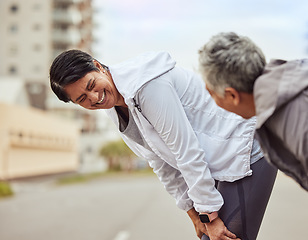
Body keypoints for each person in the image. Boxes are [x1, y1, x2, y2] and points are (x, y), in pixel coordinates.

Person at [49, 49, 277, 240]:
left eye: (91, 85)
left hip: (245, 149)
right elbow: (158, 160)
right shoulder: (115, 108)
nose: (94, 97)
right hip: (219, 160)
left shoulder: (146, 86)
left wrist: (210, 216)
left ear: (98, 66)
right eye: (82, 99)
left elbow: (185, 149)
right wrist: (193, 213)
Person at [199, 32, 308, 191]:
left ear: (232, 95)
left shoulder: (295, 120)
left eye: (211, 92)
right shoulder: (287, 88)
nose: (211, 99)